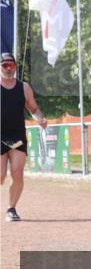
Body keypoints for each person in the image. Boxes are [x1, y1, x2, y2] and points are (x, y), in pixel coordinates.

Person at [1, 52, 48, 220]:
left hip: (16, 135)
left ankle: (11, 209)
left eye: (11, 65)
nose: (8, 69)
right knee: (1, 177)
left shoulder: (24, 88)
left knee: (17, 171)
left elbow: (34, 109)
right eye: (5, 65)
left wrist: (40, 119)